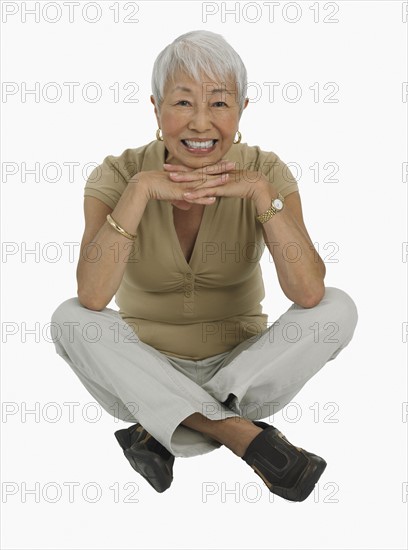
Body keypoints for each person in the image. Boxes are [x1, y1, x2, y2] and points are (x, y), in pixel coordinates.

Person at [50, 30, 358, 501]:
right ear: (155, 108)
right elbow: (92, 296)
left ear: (241, 111)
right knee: (69, 320)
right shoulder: (117, 174)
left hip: (244, 373)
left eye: (218, 103)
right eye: (182, 103)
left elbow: (309, 293)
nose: (200, 123)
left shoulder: (266, 171)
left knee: (338, 306)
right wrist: (138, 193)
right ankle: (243, 436)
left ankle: (167, 423)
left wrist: (260, 195)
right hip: (144, 366)